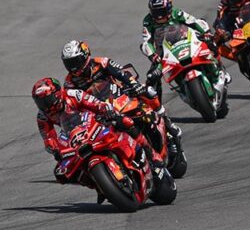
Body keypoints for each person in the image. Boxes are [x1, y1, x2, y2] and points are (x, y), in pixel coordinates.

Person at [32, 77, 168, 199]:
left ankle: (152, 154)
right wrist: (55, 149)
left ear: (57, 94)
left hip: (94, 120)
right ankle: (98, 185)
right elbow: (48, 138)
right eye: (40, 102)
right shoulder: (42, 116)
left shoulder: (72, 94)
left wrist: (104, 109)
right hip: (73, 136)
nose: (45, 105)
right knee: (62, 174)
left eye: (47, 100)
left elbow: (94, 103)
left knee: (126, 122)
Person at [60, 40, 182, 156]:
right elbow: (75, 104)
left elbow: (122, 73)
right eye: (69, 63)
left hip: (121, 97)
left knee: (149, 92)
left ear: (85, 55)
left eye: (75, 61)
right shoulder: (69, 83)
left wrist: (134, 85)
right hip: (101, 111)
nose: (73, 66)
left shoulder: (101, 62)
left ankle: (168, 124)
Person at [139, 0, 224, 93]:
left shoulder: (177, 13)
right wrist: (152, 55)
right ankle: (157, 103)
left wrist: (206, 33)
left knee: (210, 44)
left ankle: (219, 71)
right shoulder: (148, 21)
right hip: (163, 50)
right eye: (155, 12)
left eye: (161, 11)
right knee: (152, 77)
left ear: (169, 8)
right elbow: (147, 41)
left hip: (184, 40)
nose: (159, 16)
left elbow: (194, 22)